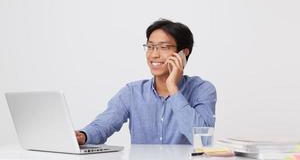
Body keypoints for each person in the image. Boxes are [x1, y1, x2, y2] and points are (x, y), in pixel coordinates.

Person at [75, 19, 217, 145]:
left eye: (164, 47)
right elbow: (104, 125)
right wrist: (83, 135)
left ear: (183, 53)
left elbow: (203, 140)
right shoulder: (132, 92)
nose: (154, 54)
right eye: (150, 47)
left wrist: (173, 88)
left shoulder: (202, 89)